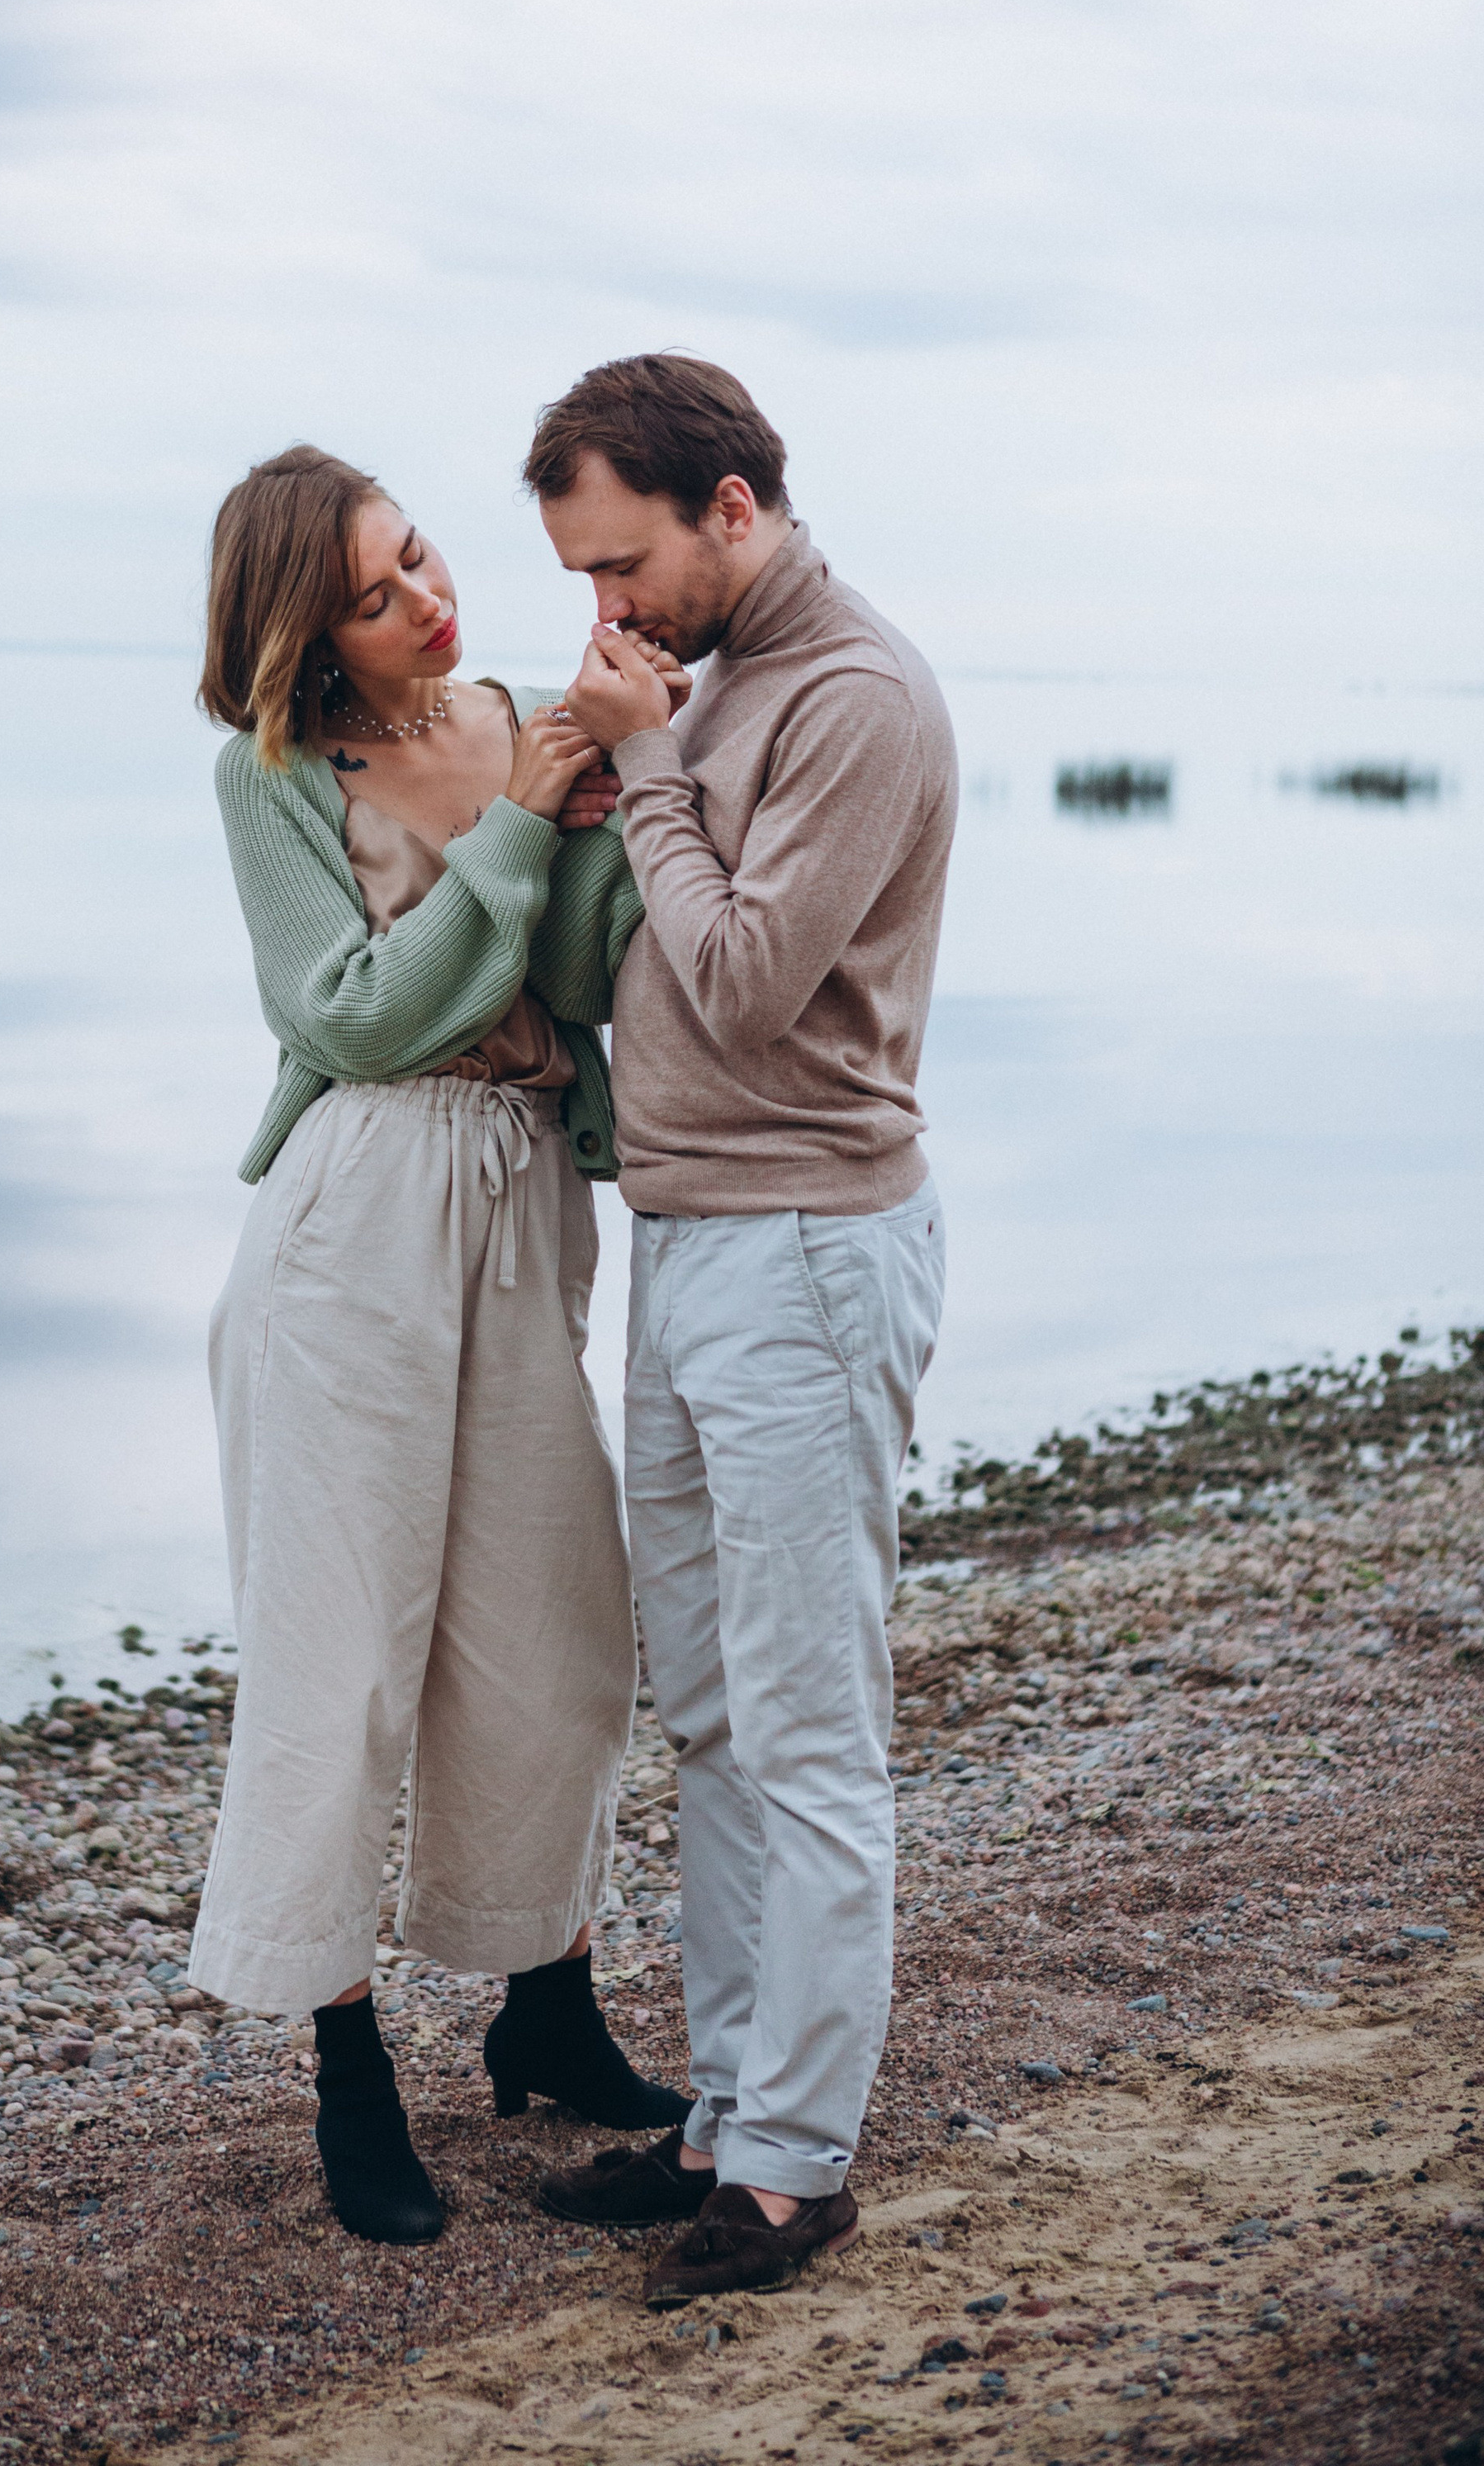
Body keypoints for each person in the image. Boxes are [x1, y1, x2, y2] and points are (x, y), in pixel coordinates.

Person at [188, 443, 690, 2245]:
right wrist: (513, 833)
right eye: (376, 590)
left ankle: (542, 2004)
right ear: (300, 631)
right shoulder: (275, 780)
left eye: (421, 558)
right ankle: (345, 2066)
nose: (427, 599)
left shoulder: (518, 718)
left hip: (521, 1204)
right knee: (339, 1657)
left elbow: (564, 985)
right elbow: (357, 1017)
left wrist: (607, 784)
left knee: (553, 1627)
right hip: (355, 1219)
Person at [520, 354, 955, 2305]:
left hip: (803, 1247)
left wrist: (661, 773)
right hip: (686, 1240)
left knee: (804, 1724)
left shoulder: (850, 694)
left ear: (732, 503)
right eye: (578, 577)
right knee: (701, 1709)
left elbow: (749, 980)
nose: (603, 612)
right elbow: (638, 968)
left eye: (622, 564)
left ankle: (792, 2169)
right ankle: (721, 2111)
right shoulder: (708, 694)